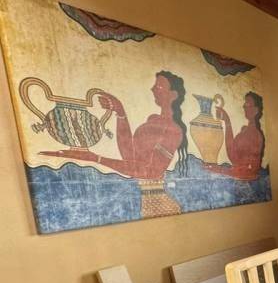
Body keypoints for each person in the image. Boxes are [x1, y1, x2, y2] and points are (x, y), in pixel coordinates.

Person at [42, 70, 188, 217]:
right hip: (146, 199)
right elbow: (129, 155)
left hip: (160, 203)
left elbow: (151, 172)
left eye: (159, 86)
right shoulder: (153, 120)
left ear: (173, 95)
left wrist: (97, 158)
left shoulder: (173, 129)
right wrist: (120, 113)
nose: (153, 89)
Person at [206, 91, 265, 180]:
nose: (244, 106)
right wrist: (227, 120)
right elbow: (233, 155)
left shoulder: (254, 134)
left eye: (248, 103)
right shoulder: (245, 130)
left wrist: (221, 170)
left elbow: (248, 170)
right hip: (241, 175)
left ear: (256, 110)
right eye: (245, 103)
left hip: (248, 180)